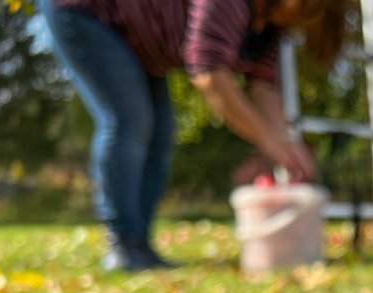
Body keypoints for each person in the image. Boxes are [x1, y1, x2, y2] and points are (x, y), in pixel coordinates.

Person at [39, 0, 345, 271]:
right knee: (130, 123)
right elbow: (209, 73)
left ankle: (140, 246)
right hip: (88, 12)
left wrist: (288, 146)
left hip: (141, 45)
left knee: (159, 137)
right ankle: (124, 244)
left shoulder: (270, 29)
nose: (301, 17)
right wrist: (268, 141)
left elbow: (264, 87)